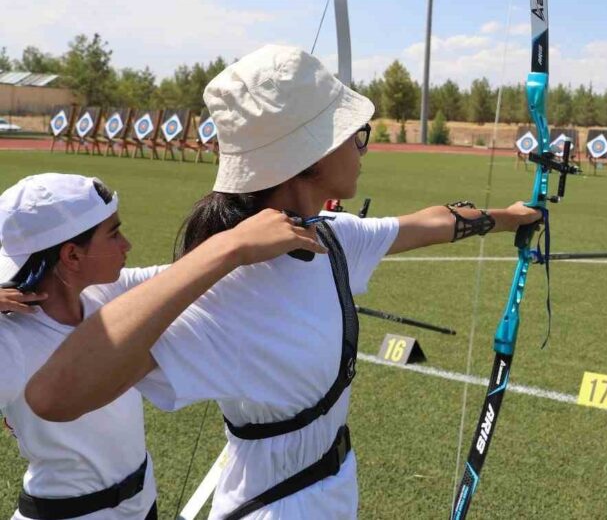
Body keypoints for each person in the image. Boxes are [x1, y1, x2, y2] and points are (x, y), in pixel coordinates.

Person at [28, 45, 541, 519]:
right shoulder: (220, 292)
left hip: (333, 485)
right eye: (353, 135)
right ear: (310, 157)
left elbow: (427, 223)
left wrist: (513, 216)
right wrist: (226, 250)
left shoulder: (333, 238)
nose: (365, 147)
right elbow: (54, 396)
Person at [1, 173, 322, 520]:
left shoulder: (106, 294)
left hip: (141, 503)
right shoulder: (10, 338)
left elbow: (184, 276)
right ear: (73, 256)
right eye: (113, 234)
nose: (127, 245)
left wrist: (251, 238)